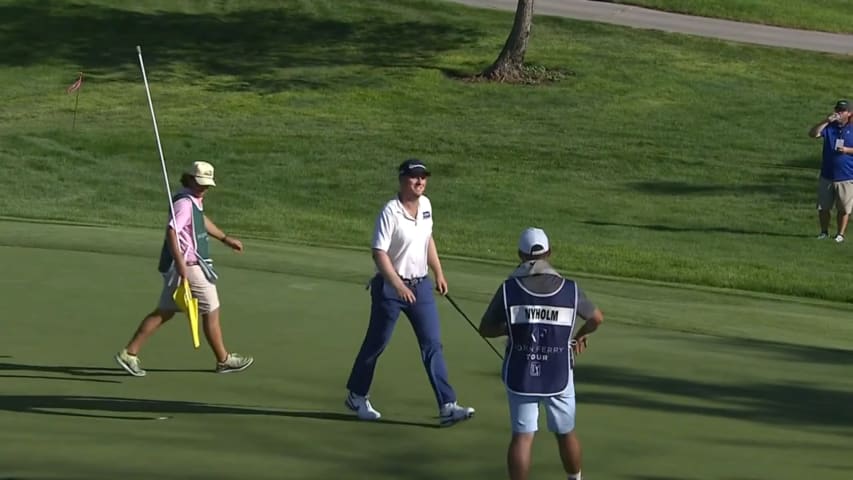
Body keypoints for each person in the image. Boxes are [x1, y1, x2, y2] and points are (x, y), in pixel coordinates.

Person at [344, 158, 475, 427]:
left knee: (432, 345)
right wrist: (398, 285)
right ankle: (357, 395)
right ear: (402, 180)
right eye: (415, 177)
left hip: (421, 286)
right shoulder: (390, 212)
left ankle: (447, 404)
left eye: (424, 177)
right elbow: (379, 253)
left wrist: (438, 272)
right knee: (376, 344)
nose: (420, 182)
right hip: (390, 289)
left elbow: (427, 239)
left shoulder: (425, 206)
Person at [479, 227, 604, 480]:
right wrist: (578, 337)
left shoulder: (508, 289)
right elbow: (596, 318)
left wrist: (513, 328)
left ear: (519, 255)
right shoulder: (570, 289)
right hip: (558, 373)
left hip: (521, 372)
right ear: (549, 253)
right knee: (565, 432)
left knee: (523, 437)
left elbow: (486, 329)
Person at [115, 161, 254, 376]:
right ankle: (223, 360)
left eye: (207, 185)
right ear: (189, 178)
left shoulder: (191, 198)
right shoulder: (184, 203)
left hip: (182, 266)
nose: (204, 188)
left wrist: (224, 238)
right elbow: (173, 231)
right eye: (200, 183)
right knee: (211, 309)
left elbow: (199, 220)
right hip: (187, 266)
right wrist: (181, 267)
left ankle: (129, 353)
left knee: (164, 312)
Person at [809, 99, 853, 242]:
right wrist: (825, 121)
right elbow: (813, 134)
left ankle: (840, 234)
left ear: (849, 113)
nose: (839, 113)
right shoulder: (830, 127)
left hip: (846, 176)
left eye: (842, 110)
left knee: (843, 209)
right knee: (823, 207)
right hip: (827, 175)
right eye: (838, 109)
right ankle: (824, 232)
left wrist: (847, 150)